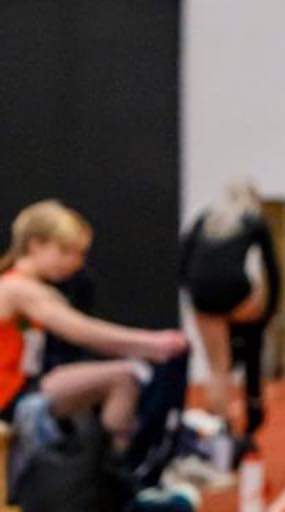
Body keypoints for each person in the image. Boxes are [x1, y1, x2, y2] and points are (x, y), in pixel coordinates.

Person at [1, 202, 187, 492]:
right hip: (10, 395)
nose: (75, 262)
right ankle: (114, 472)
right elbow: (81, 331)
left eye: (79, 253)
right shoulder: (18, 289)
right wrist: (151, 344)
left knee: (121, 377)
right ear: (35, 245)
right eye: (65, 251)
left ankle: (108, 470)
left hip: (24, 387)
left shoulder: (35, 289)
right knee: (123, 376)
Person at [179, 181, 281, 439]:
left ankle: (220, 425)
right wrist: (268, 313)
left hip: (202, 293)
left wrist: (193, 294)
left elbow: (182, 260)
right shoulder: (253, 221)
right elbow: (272, 268)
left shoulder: (205, 219)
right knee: (252, 348)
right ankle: (253, 407)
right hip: (236, 293)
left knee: (217, 366)